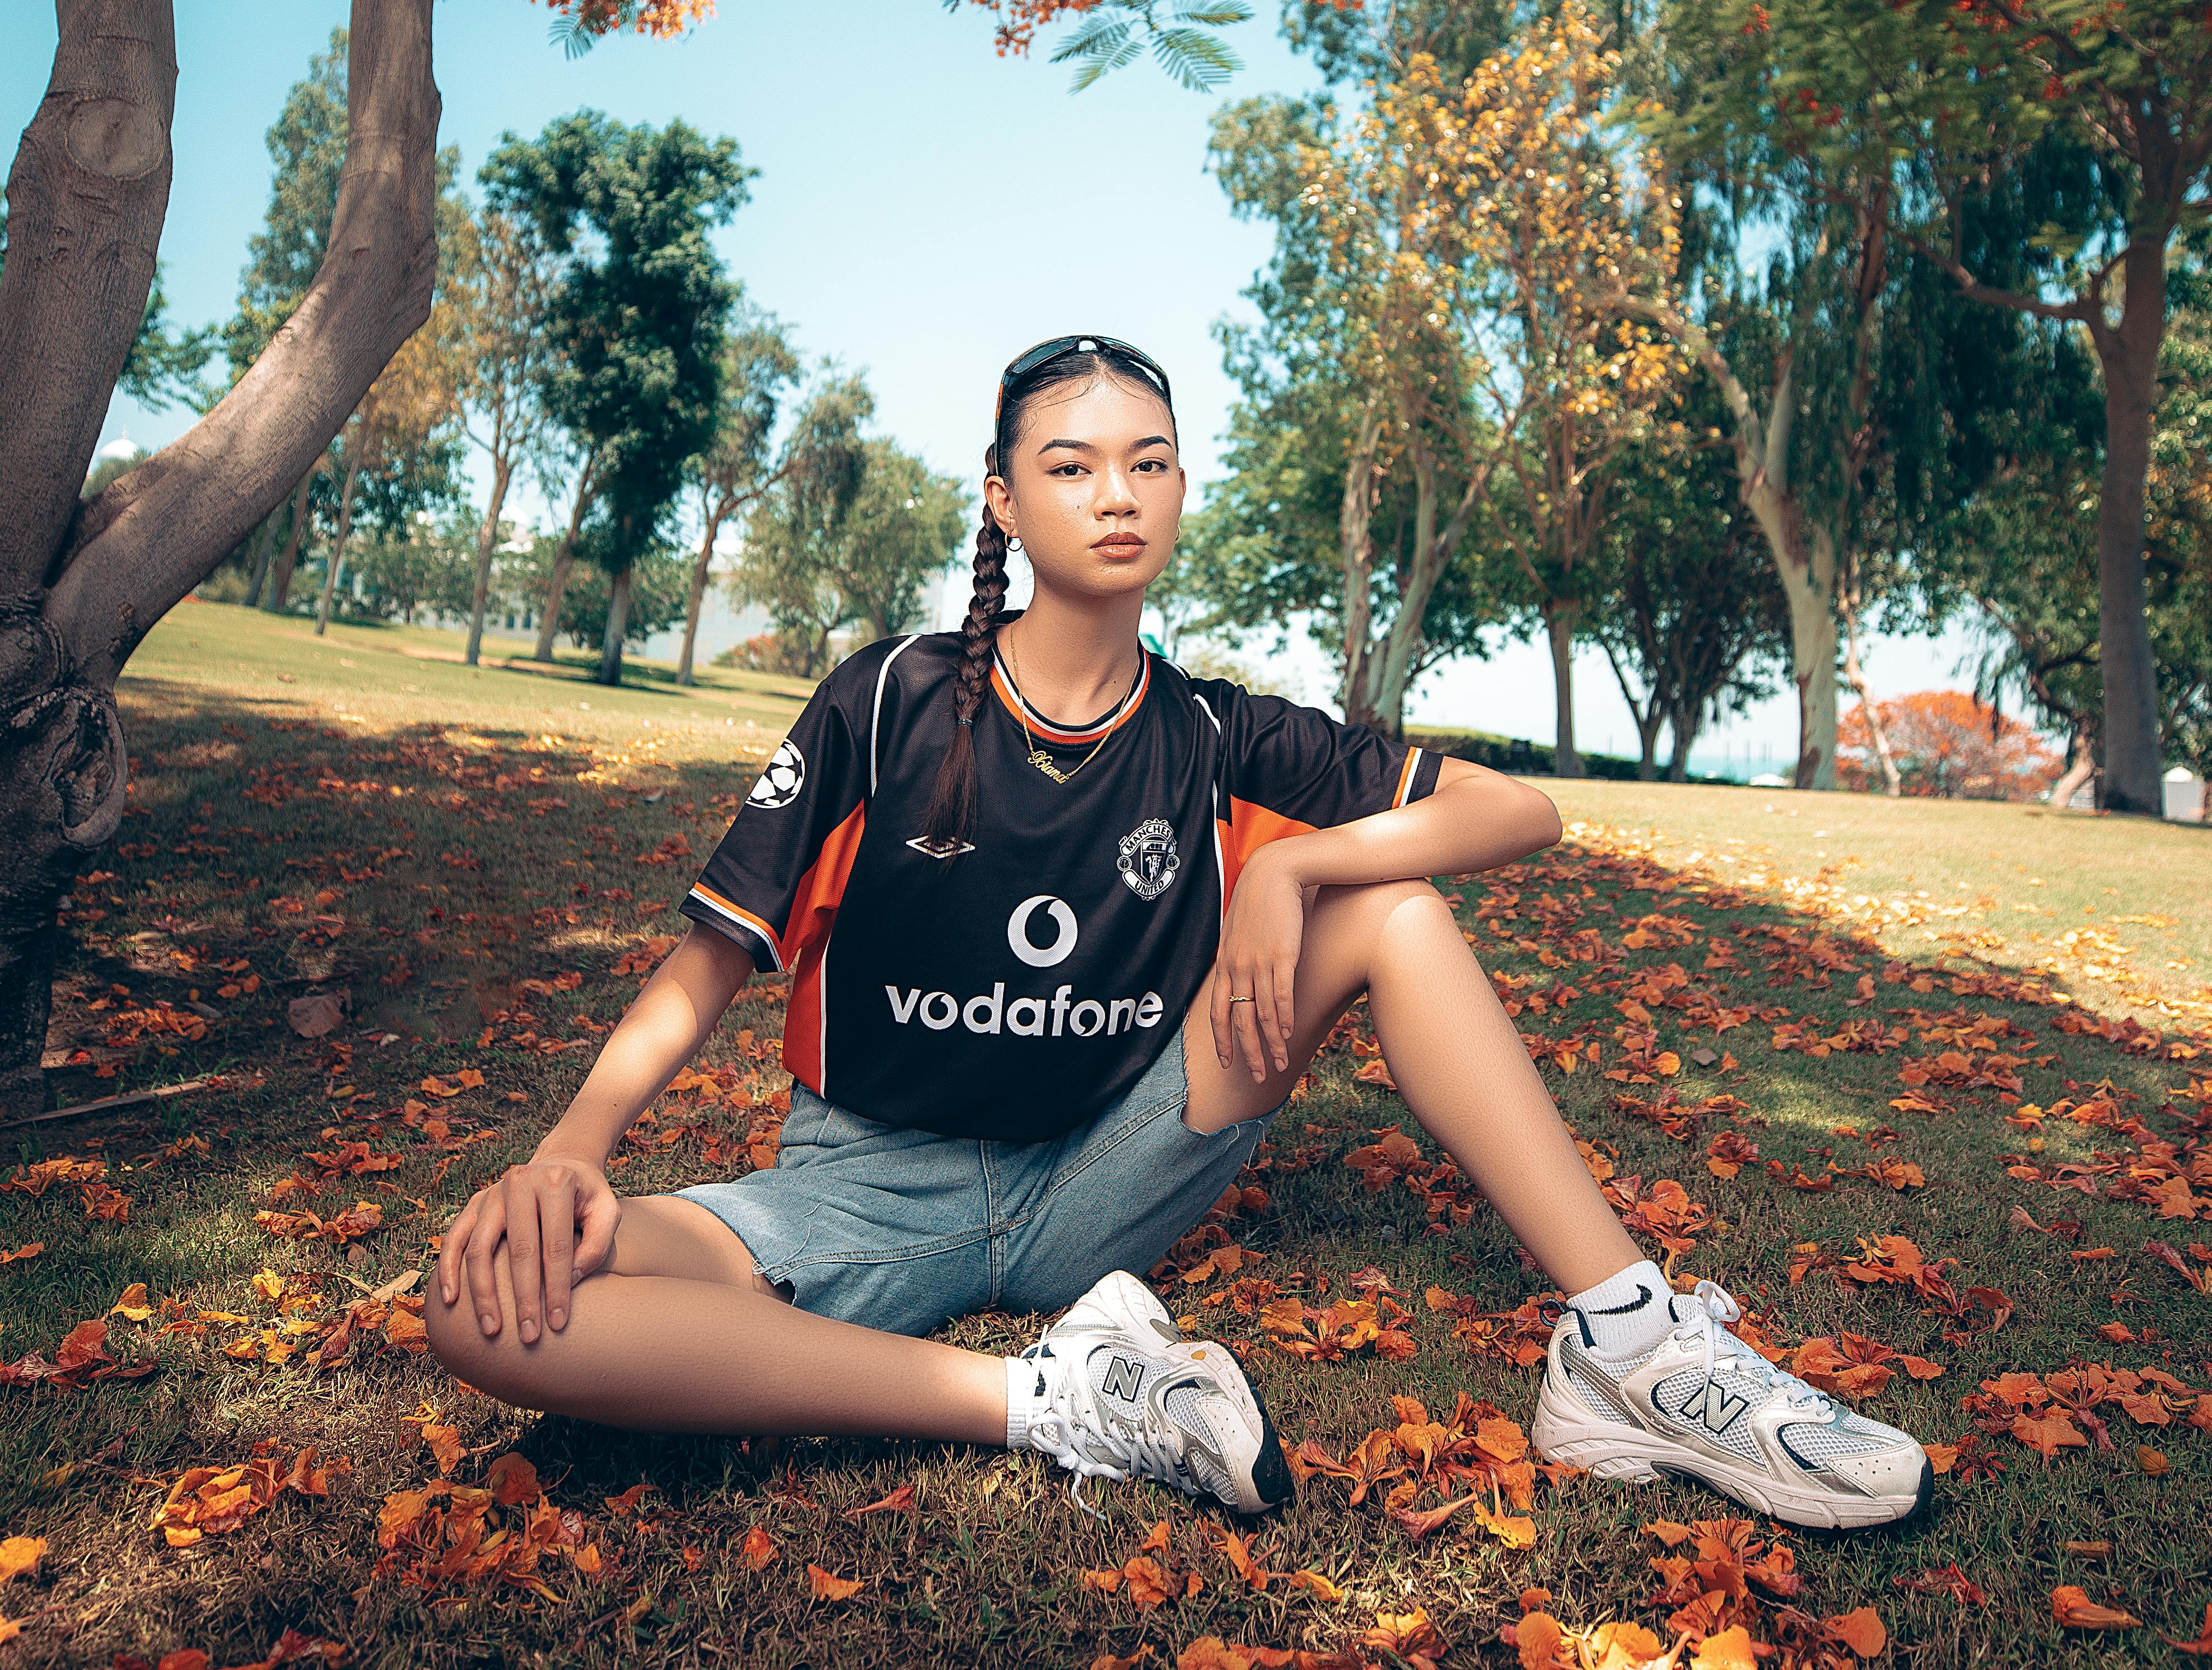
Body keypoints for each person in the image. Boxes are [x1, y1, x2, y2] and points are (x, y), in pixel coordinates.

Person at [430, 333, 1932, 1530]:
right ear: (1007, 501)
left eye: (1148, 461)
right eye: (1072, 464)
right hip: (858, 1196)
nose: (1117, 492)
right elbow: (713, 954)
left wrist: (1289, 874)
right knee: (486, 1311)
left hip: (1106, 1177)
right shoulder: (884, 698)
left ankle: (1627, 1345)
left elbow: (1518, 810)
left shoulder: (1217, 733)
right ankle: (1058, 1401)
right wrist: (575, 1147)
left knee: (1389, 909)